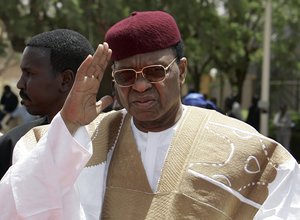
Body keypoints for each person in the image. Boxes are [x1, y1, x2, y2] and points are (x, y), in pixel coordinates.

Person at [0, 11, 300, 220]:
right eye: (127, 76)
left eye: (155, 72)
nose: (141, 85)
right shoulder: (78, 140)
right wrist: (68, 125)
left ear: (180, 71)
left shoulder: (246, 148)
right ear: (115, 81)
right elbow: (18, 200)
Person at [0, 29, 94, 179]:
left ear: (65, 80)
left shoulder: (109, 140)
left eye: (29, 73)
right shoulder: (14, 144)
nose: (19, 84)